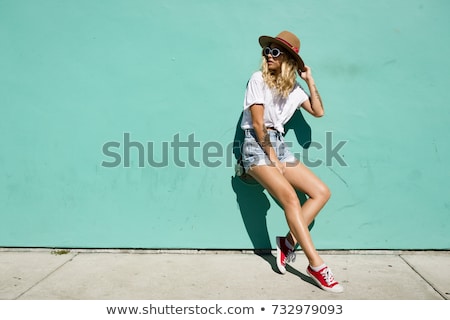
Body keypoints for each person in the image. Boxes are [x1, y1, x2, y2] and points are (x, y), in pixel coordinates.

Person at [240, 30, 344, 293]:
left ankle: (287, 243)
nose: (269, 55)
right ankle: (316, 265)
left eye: (276, 51)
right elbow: (256, 123)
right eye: (267, 50)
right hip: (256, 143)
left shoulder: (294, 89)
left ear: (288, 59)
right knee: (290, 197)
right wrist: (272, 158)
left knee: (321, 192)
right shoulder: (257, 79)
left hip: (279, 145)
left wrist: (309, 80)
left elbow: (318, 112)